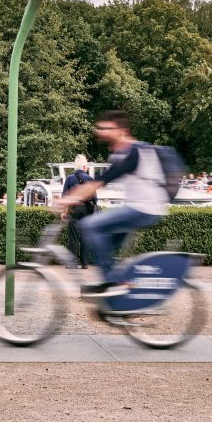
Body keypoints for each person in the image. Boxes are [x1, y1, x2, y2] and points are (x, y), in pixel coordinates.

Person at [53, 110, 171, 298]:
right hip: (141, 208)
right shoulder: (122, 154)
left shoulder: (132, 152)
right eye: (100, 128)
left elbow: (98, 183)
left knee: (90, 226)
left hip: (142, 209)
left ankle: (112, 283)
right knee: (103, 242)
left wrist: (66, 200)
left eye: (107, 128)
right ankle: (122, 285)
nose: (101, 132)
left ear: (122, 130)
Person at [60, 155, 95, 269]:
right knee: (85, 236)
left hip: (73, 209)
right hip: (86, 210)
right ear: (85, 166)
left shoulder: (70, 178)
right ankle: (84, 263)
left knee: (73, 237)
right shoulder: (90, 179)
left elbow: (65, 196)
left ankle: (72, 263)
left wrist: (64, 212)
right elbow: (95, 199)